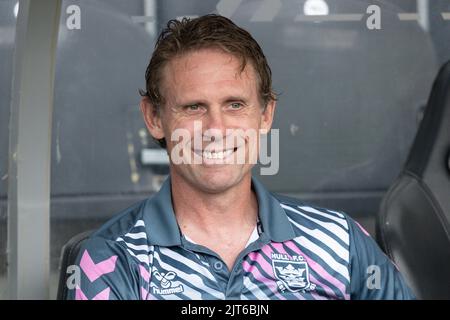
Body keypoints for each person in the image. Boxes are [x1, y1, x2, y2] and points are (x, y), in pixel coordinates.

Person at [66, 14, 415, 300]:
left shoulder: (339, 241)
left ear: (265, 115)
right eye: (193, 107)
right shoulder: (114, 259)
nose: (216, 128)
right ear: (155, 117)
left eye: (235, 105)